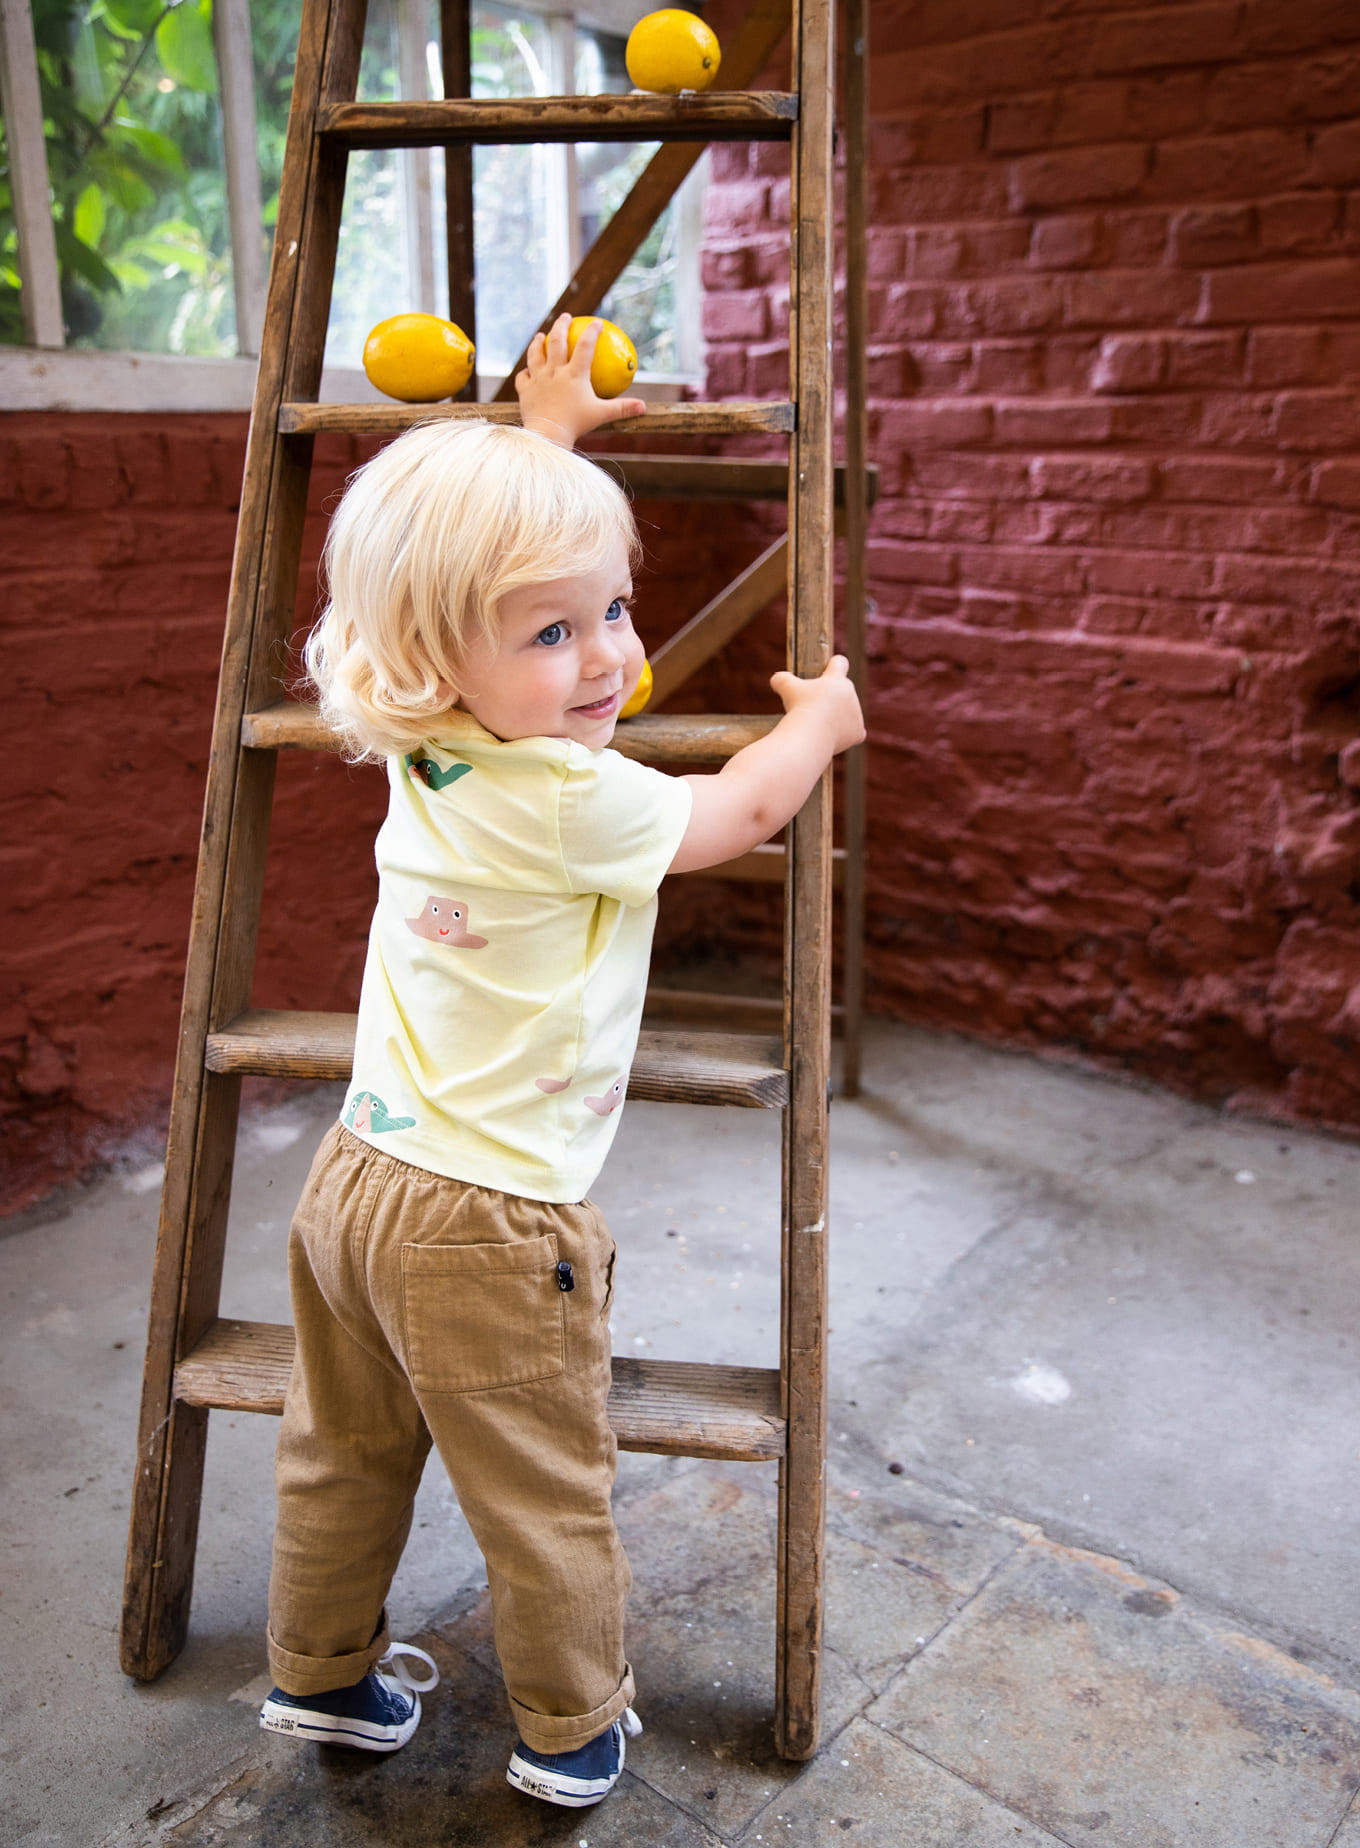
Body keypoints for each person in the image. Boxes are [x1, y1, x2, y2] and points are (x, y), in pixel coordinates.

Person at [257, 314, 865, 1809]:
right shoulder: (570, 799)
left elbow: (475, 581)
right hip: (489, 1222)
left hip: (355, 1184)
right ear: (436, 653)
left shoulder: (427, 738)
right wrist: (821, 731)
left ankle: (317, 1678)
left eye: (614, 607)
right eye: (555, 632)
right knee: (546, 1493)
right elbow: (735, 819)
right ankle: (571, 1730)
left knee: (338, 1450)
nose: (608, 658)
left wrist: (549, 444)